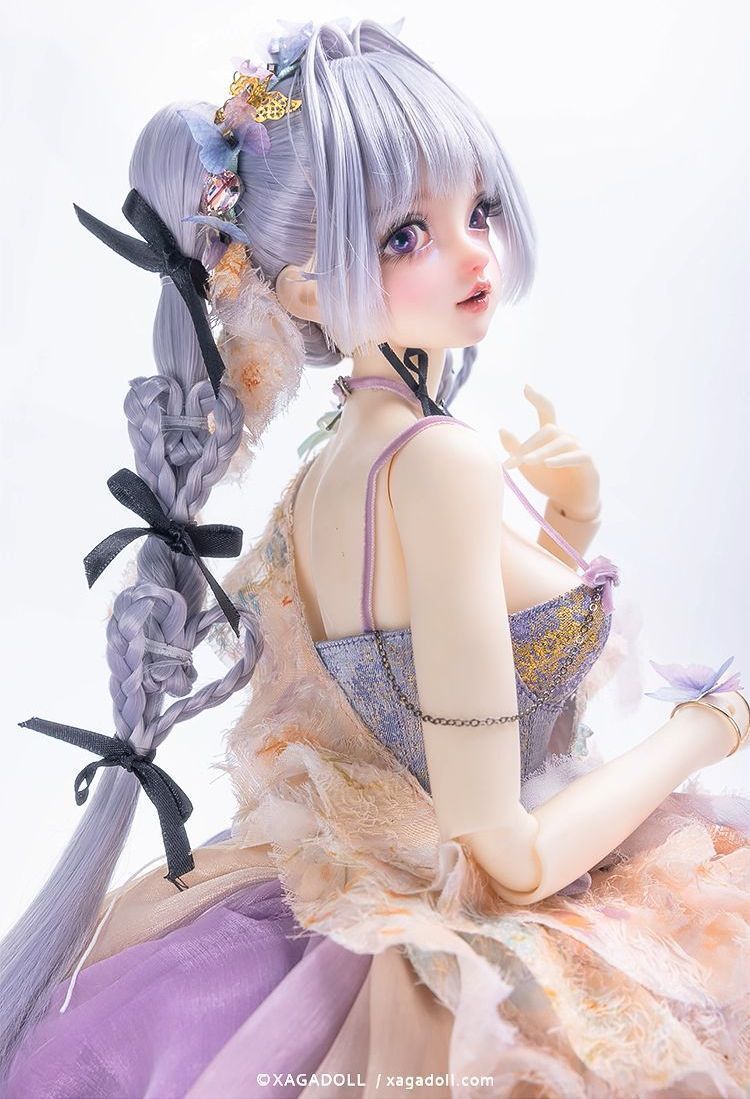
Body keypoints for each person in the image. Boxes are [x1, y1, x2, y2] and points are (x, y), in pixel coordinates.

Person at [2, 17, 750, 1099]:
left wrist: (565, 527)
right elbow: (508, 855)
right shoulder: (435, 464)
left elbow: (415, 658)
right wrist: (708, 726)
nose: (473, 251)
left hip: (343, 885)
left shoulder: (334, 465)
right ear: (306, 290)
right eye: (406, 234)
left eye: (477, 208)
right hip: (439, 919)